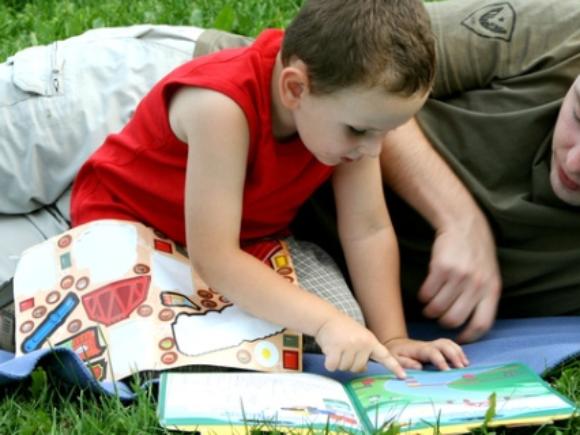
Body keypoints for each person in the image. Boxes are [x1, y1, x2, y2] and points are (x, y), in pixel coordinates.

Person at [66, 0, 467, 375]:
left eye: (387, 132)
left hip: (248, 243)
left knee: (350, 334)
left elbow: (368, 229)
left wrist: (391, 337)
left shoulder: (346, 118)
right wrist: (325, 322)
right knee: (128, 337)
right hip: (134, 232)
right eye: (360, 130)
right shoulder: (221, 106)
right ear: (295, 88)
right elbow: (215, 258)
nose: (373, 149)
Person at [294, 0, 580, 343]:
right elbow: (336, 66)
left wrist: (393, 339)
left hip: (311, 279)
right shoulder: (563, 30)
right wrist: (458, 218)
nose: (574, 162)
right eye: (578, 115)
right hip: (246, 158)